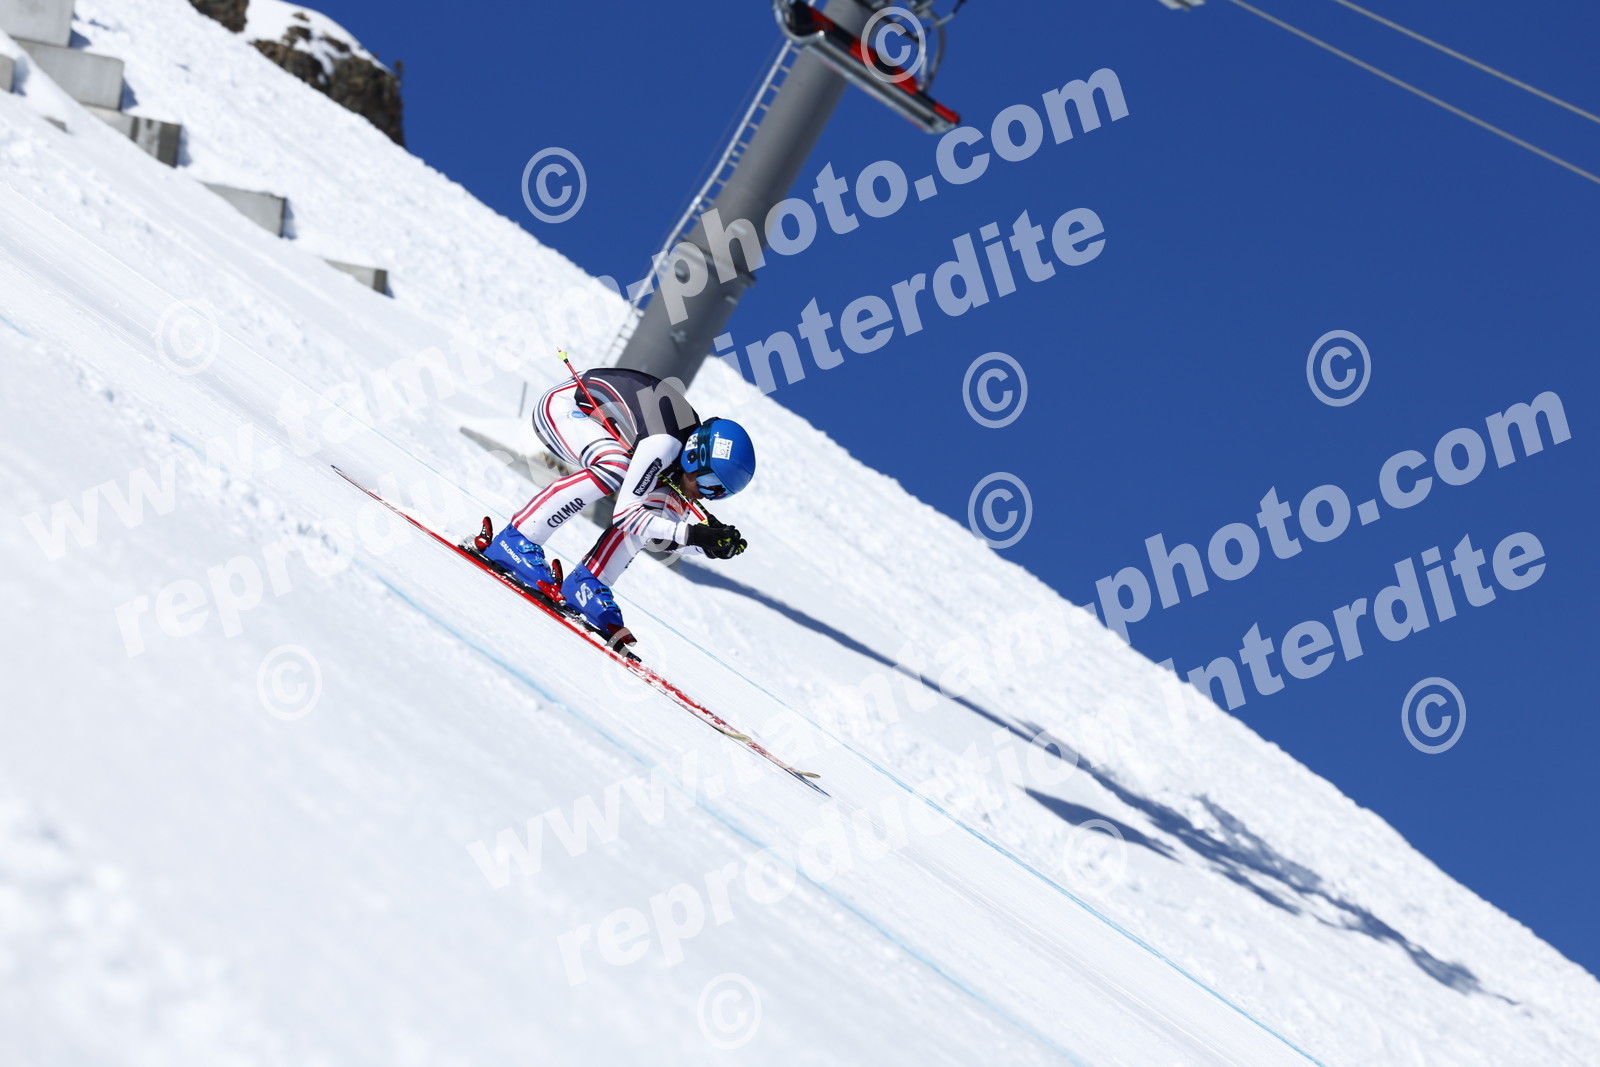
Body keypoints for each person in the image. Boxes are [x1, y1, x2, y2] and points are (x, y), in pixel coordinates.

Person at [482, 366, 755, 646]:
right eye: (711, 484)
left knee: (661, 503)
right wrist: (692, 534)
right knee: (616, 467)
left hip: (596, 426)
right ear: (696, 456)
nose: (707, 496)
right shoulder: (665, 443)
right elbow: (625, 515)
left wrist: (706, 546)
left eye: (721, 493)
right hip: (563, 409)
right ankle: (517, 538)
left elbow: (659, 534)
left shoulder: (684, 458)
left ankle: (587, 584)